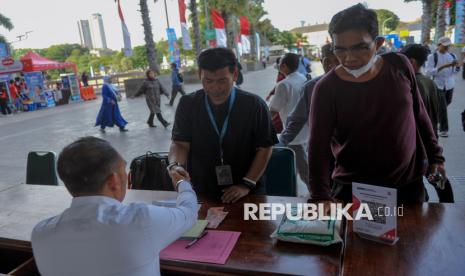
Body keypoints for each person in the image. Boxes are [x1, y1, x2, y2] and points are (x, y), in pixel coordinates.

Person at [308, 4, 445, 204]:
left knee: (414, 235)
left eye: (360, 47)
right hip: (354, 191)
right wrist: (320, 196)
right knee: (357, 236)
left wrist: (436, 159)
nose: (349, 58)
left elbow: (419, 115)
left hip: (409, 186)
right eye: (340, 49)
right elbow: (317, 146)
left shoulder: (399, 65)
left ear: (378, 43)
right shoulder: (326, 88)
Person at [31, 137, 198, 276]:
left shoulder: (40, 233)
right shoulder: (140, 220)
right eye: (123, 171)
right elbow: (189, 213)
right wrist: (182, 183)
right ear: (113, 181)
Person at [169, 47, 278, 203]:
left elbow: (265, 147)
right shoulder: (188, 104)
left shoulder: (254, 105)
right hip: (201, 188)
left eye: (222, 81)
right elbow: (180, 143)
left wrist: (246, 184)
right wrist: (175, 166)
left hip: (247, 189)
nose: (215, 88)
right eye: (208, 81)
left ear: (234, 75)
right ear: (200, 75)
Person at [277, 44, 339, 194]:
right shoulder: (312, 86)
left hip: (353, 156)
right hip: (324, 154)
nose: (332, 66)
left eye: (336, 61)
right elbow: (297, 120)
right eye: (327, 61)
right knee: (326, 196)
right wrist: (280, 143)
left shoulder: (358, 85)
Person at [401, 44, 454, 203]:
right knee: (439, 181)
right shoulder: (430, 83)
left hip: (417, 148)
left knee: (417, 185)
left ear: (411, 62)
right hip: (430, 145)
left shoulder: (409, 85)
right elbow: (441, 111)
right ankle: (449, 208)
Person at [269, 53, 309, 188]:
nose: (278, 66)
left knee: (304, 170)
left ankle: (319, 195)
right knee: (297, 167)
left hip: (293, 135)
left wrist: (260, 126)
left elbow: (273, 110)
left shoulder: (283, 84)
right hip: (306, 130)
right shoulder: (303, 78)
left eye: (280, 63)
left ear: (284, 66)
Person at [425, 36, 459, 138]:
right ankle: (444, 130)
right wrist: (443, 66)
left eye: (448, 46)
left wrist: (456, 67)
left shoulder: (452, 56)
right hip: (438, 85)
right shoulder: (432, 57)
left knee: (446, 103)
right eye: (444, 46)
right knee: (443, 107)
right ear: (439, 45)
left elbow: (456, 71)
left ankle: (439, 118)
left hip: (449, 84)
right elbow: (428, 72)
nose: (446, 48)